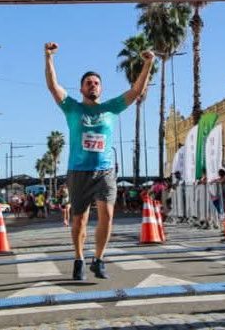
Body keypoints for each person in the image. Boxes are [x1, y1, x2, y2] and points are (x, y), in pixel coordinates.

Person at [45, 41, 154, 280]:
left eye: (96, 83)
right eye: (88, 83)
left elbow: (136, 91)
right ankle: (78, 259)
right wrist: (49, 57)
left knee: (107, 215)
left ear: (101, 88)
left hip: (105, 170)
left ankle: (99, 259)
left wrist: (148, 63)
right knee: (79, 220)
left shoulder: (111, 108)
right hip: (78, 171)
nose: (92, 85)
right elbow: (53, 86)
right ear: (81, 88)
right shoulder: (72, 108)